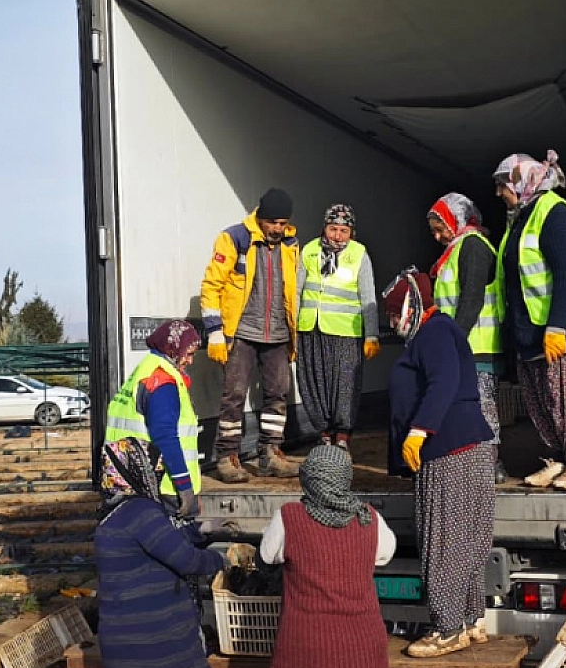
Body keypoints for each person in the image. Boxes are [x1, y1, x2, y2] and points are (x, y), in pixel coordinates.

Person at [384, 268, 496, 659]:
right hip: (468, 447)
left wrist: (419, 430)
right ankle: (470, 620)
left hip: (447, 450)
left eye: (395, 314)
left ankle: (447, 629)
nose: (393, 323)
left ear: (411, 307)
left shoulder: (433, 333)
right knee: (467, 540)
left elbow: (443, 380)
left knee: (445, 542)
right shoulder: (439, 332)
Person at [259, 445, 396, 668]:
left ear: (308, 479)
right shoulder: (369, 518)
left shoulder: (289, 517)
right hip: (363, 662)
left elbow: (267, 555)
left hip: (303, 663)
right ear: (345, 479)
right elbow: (385, 554)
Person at [94, 438, 225, 668]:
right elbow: (185, 559)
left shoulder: (113, 514)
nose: (157, 477)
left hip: (126, 659)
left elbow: (161, 543)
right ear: (136, 472)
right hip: (157, 660)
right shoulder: (142, 512)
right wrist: (219, 561)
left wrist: (199, 531)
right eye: (154, 472)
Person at [494, 150, 566, 493]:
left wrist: (556, 326)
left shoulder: (556, 214)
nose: (499, 193)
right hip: (531, 330)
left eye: (502, 185)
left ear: (522, 181)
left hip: (563, 330)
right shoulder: (522, 218)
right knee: (543, 399)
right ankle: (557, 459)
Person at [201, 187, 303, 483]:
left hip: (278, 333)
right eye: (273, 223)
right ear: (260, 216)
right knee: (233, 396)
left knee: (277, 396)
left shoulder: (290, 243)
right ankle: (227, 457)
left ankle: (271, 453)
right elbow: (211, 286)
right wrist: (215, 333)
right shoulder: (234, 238)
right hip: (242, 333)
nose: (277, 229)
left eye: (283, 223)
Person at [427, 192, 507, 482]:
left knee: (483, 407)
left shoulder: (472, 247)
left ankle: (491, 464)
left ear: (456, 220)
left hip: (477, 347)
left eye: (440, 229)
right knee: (466, 408)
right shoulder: (458, 249)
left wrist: (454, 342)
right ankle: (473, 463)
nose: (437, 237)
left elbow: (471, 300)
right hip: (464, 345)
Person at [296, 204, 381, 450]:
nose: (337, 235)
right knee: (313, 381)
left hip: (346, 332)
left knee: (344, 385)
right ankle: (322, 432)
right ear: (324, 227)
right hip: (311, 329)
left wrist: (372, 334)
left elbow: (369, 297)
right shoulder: (309, 250)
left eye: (344, 230)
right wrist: (291, 330)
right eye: (333, 229)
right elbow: (295, 292)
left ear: (351, 232)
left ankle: (342, 434)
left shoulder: (359, 254)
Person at [103, 319, 205, 519]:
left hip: (128, 481)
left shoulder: (144, 370)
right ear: (173, 348)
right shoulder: (162, 381)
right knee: (174, 546)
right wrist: (184, 486)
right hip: (163, 487)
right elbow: (166, 437)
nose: (190, 361)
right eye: (189, 354)